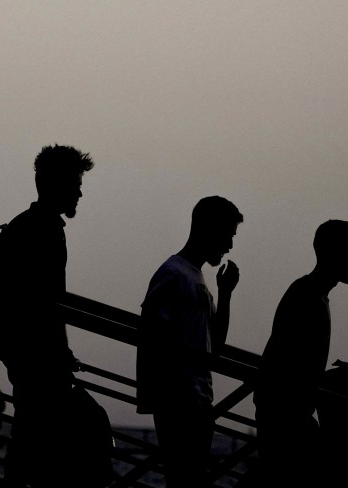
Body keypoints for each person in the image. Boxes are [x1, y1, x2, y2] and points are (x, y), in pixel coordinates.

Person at [0, 144, 95, 488]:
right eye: (76, 184)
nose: (80, 193)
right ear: (57, 185)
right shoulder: (47, 230)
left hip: (23, 349)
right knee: (36, 437)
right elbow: (49, 302)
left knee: (28, 433)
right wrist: (61, 352)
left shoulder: (26, 224)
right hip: (38, 354)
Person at [136, 195, 243, 488]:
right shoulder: (174, 274)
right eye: (228, 235)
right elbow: (152, 337)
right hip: (180, 401)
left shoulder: (193, 277)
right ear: (210, 229)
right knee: (186, 481)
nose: (229, 245)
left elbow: (215, 344)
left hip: (196, 400)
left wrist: (225, 294)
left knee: (187, 481)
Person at [253, 219, 348, 487]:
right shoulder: (308, 297)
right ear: (335, 253)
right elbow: (290, 365)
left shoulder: (310, 292)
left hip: (287, 414)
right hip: (286, 417)